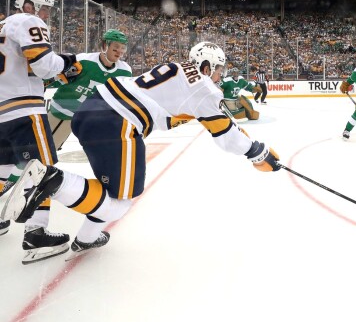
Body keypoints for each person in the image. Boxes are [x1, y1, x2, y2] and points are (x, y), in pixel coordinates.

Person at [1, 41, 281, 259]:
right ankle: (52, 180)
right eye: (220, 69)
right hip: (118, 122)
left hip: (92, 109)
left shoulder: (177, 68)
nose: (221, 75)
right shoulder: (205, 88)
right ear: (207, 66)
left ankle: (86, 237)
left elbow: (168, 109)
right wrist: (258, 152)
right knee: (121, 202)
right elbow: (227, 135)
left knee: (111, 190)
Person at [0, 0, 82, 263]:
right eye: (44, 8)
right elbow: (45, 65)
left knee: (4, 169)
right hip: (24, 110)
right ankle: (36, 234)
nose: (46, 15)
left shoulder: (3, 26)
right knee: (41, 171)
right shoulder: (28, 21)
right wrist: (66, 62)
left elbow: (24, 69)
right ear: (28, 4)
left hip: (1, 112)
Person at [47, 29, 132, 150]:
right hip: (62, 109)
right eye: (115, 47)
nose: (119, 51)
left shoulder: (125, 71)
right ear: (104, 46)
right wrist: (52, 80)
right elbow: (54, 79)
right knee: (44, 148)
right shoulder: (83, 60)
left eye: (123, 48)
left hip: (87, 118)